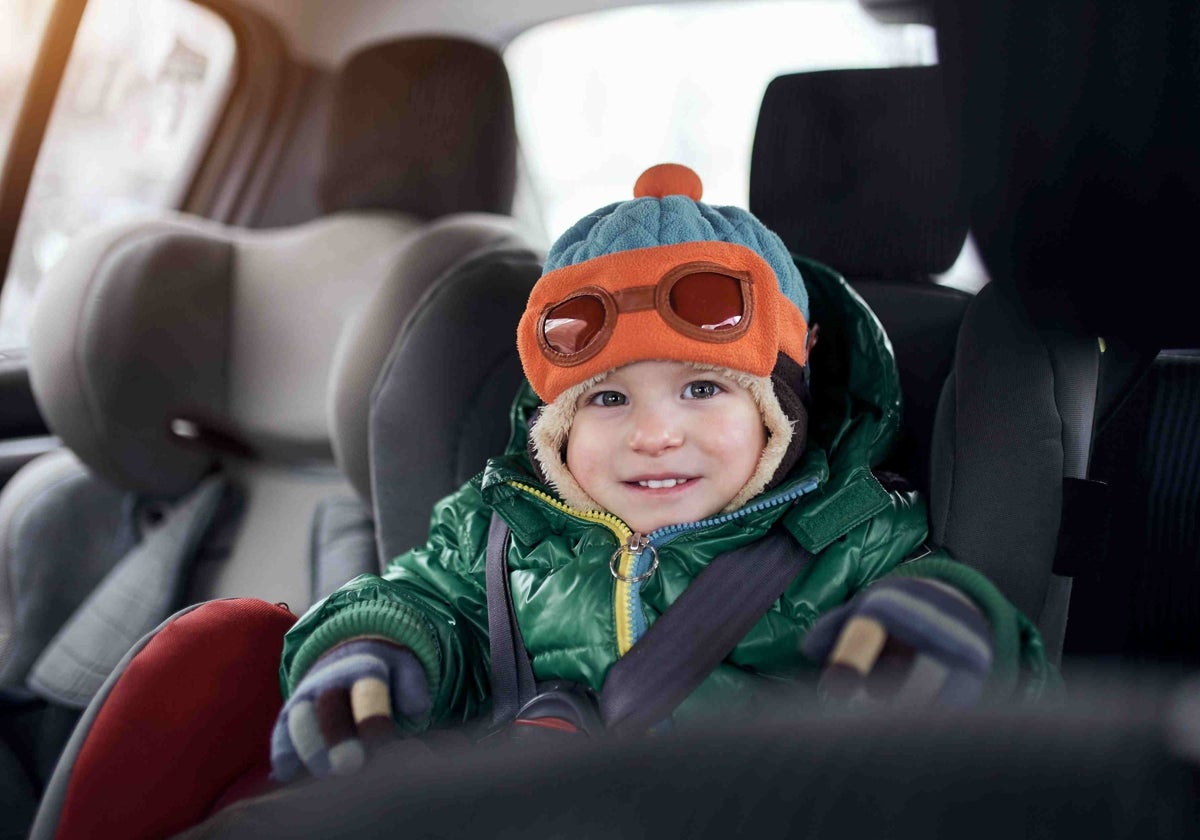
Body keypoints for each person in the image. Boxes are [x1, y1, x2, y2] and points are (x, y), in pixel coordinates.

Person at [270, 164, 1051, 781]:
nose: (652, 434)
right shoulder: (500, 530)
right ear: (558, 429)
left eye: (704, 389)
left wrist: (954, 632)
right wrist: (370, 646)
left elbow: (976, 657)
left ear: (779, 414)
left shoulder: (850, 534)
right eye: (607, 397)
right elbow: (417, 597)